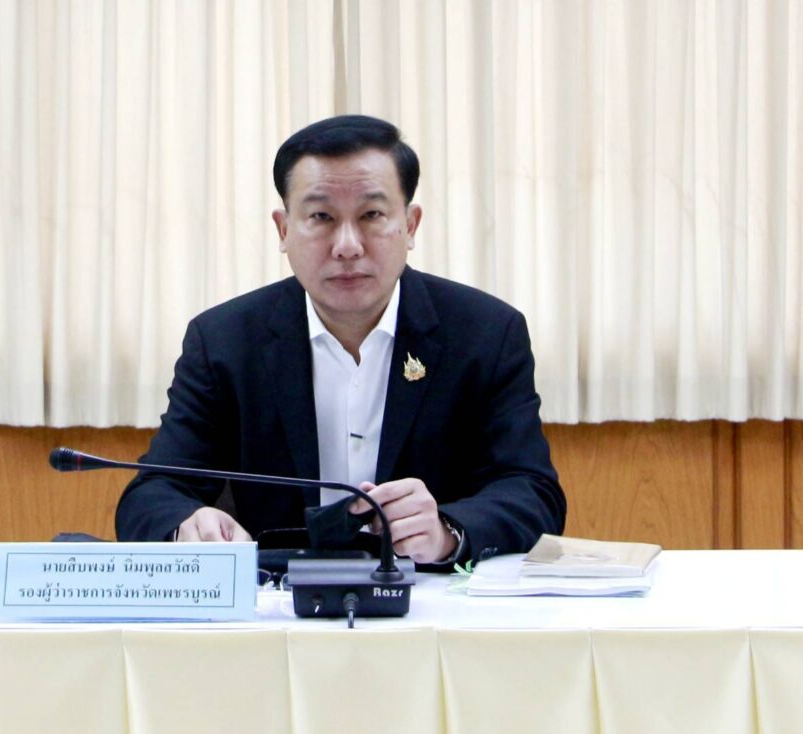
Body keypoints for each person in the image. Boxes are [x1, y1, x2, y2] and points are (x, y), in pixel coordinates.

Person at [116, 114, 565, 568]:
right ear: (283, 230)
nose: (347, 245)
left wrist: (448, 532)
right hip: (279, 599)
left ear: (410, 225)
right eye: (321, 217)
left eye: (371, 215)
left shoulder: (486, 334)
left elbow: (532, 492)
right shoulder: (225, 342)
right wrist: (187, 526)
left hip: (431, 597)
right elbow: (153, 493)